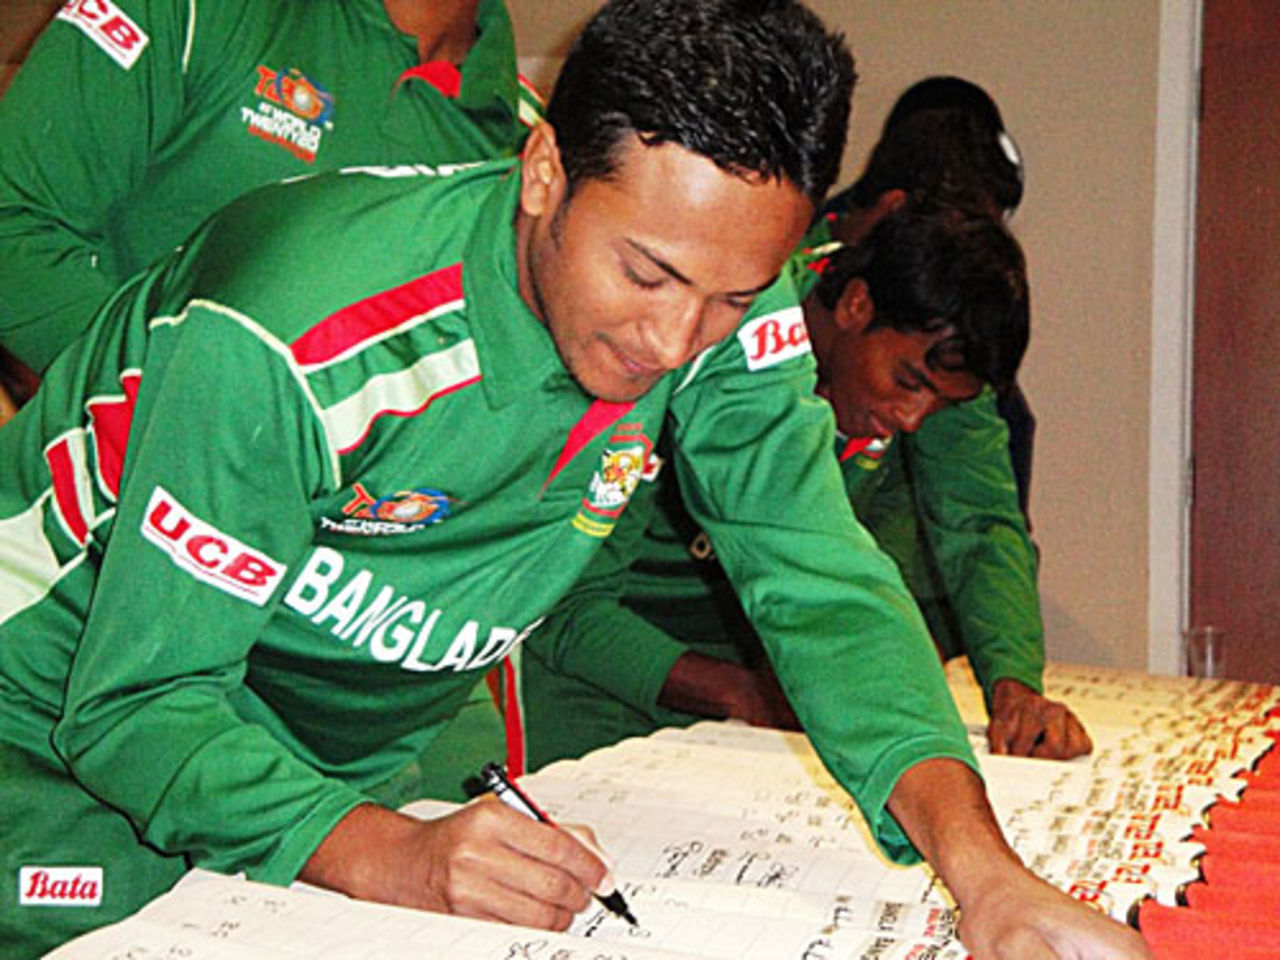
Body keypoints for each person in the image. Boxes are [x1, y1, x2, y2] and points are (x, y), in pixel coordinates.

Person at [0, 3, 1145, 959]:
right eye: (645, 273)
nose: (671, 340)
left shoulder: (706, 323)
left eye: (733, 297)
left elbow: (819, 572)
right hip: (54, 743)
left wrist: (982, 873)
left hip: (315, 756)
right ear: (543, 170)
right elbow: (135, 706)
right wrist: (386, 850)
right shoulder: (292, 327)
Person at [0, 0, 544, 803]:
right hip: (101, 601)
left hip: (348, 648)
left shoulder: (529, 142)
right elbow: (13, 228)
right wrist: (204, 423)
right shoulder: (190, 13)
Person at [0, 0, 542, 375]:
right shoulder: (198, 11)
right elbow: (10, 219)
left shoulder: (533, 153)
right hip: (90, 501)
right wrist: (168, 400)